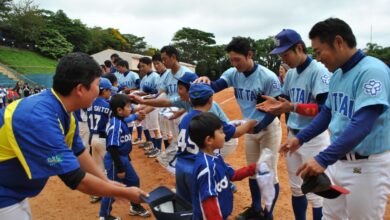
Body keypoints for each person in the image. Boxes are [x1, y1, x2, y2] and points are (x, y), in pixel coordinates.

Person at [0, 52, 148, 219]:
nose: (99, 92)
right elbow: (75, 178)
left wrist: (107, 183)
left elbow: (79, 152)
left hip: (13, 191)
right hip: (4, 194)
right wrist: (123, 192)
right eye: (97, 85)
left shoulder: (62, 111)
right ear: (80, 89)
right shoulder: (40, 117)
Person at [281, 18, 390, 220]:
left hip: (366, 167)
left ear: (339, 42)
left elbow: (363, 123)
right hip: (337, 163)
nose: (318, 57)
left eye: (319, 51)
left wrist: (323, 158)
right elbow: (327, 112)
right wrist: (301, 138)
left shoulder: (371, 71)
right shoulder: (338, 74)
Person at [195, 37, 282, 220]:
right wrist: (205, 82)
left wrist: (259, 126)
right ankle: (256, 208)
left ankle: (268, 214)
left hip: (268, 129)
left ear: (249, 55)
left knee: (268, 173)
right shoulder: (233, 73)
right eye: (231, 60)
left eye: (238, 60)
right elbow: (216, 86)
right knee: (252, 172)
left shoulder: (268, 77)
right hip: (248, 128)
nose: (234, 64)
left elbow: (276, 110)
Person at [258, 29, 331, 220]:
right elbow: (287, 102)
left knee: (317, 194)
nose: (284, 58)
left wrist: (291, 106)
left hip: (314, 137)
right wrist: (278, 105)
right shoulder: (290, 75)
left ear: (299, 47)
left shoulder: (318, 71)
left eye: (286, 53)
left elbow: (325, 109)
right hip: (293, 135)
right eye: (281, 55)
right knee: (296, 188)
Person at [174, 83, 257, 204]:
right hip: (199, 170)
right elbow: (236, 132)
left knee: (185, 205)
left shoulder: (185, 118)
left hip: (180, 167)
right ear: (210, 100)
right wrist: (249, 123)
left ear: (190, 100)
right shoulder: (210, 120)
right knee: (202, 206)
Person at [189, 112, 261, 220]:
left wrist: (254, 168)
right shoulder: (206, 167)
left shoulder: (216, 157)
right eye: (221, 132)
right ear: (209, 140)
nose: (224, 135)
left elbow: (233, 175)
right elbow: (210, 205)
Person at [99, 94, 150, 219]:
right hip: (115, 161)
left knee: (134, 181)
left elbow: (128, 118)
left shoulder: (120, 120)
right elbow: (112, 147)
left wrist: (136, 115)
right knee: (113, 188)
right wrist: (120, 168)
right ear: (119, 110)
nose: (131, 108)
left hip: (123, 158)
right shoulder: (116, 124)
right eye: (128, 106)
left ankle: (135, 206)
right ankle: (104, 215)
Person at [86, 77, 113, 203]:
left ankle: (97, 193)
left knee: (98, 167)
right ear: (104, 91)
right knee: (109, 167)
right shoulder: (108, 106)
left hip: (92, 138)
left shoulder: (90, 104)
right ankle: (108, 194)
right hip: (103, 139)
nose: (110, 93)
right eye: (109, 90)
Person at [137, 57, 162, 158]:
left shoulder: (155, 76)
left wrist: (150, 91)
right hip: (146, 102)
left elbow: (159, 91)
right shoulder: (144, 78)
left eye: (143, 66)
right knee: (150, 127)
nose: (141, 68)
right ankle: (154, 147)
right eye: (141, 66)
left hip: (154, 104)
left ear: (149, 65)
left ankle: (159, 149)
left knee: (155, 128)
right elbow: (143, 91)